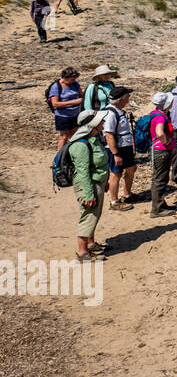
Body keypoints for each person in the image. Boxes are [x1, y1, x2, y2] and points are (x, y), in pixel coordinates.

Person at [68, 109, 111, 262]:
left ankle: (90, 244)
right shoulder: (81, 145)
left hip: (96, 183)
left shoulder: (93, 139)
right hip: (88, 185)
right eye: (100, 121)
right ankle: (82, 253)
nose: (103, 122)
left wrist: (105, 182)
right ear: (92, 124)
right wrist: (88, 194)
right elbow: (83, 171)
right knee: (88, 215)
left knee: (93, 214)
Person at [102, 86, 138, 211]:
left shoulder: (116, 111)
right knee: (116, 173)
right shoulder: (111, 114)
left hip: (124, 147)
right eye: (127, 97)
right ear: (121, 99)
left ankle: (127, 195)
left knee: (131, 168)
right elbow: (109, 135)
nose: (129, 99)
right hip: (117, 148)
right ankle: (114, 201)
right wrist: (116, 153)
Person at [146, 91, 177, 217]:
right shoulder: (160, 117)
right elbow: (159, 132)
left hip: (158, 150)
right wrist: (166, 140)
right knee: (159, 178)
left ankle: (160, 203)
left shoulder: (156, 113)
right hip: (161, 151)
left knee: (161, 177)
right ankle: (156, 209)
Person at [47, 67, 82, 149]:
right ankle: (60, 156)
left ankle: (72, 153)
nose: (73, 80)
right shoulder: (56, 87)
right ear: (65, 77)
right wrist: (74, 102)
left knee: (74, 135)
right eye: (72, 79)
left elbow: (81, 95)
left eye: (74, 78)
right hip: (63, 116)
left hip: (75, 114)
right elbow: (55, 103)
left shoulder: (75, 84)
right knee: (64, 136)